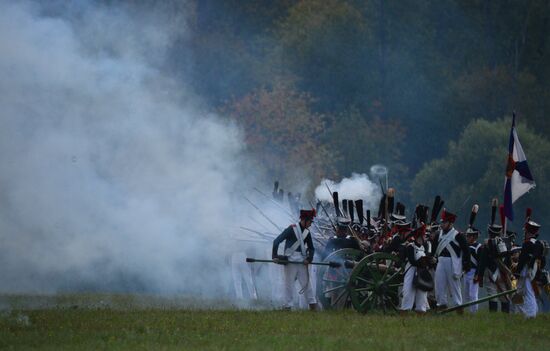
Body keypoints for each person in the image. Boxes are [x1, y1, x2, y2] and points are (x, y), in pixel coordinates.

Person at [272, 209, 317, 311]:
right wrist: (274, 256)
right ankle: (287, 306)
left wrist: (309, 259)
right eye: (310, 221)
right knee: (288, 285)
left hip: (302, 262)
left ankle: (312, 306)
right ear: (305, 220)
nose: (310, 224)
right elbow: (276, 241)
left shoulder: (307, 232)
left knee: (306, 284)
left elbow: (311, 248)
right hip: (290, 262)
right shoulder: (291, 229)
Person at [433, 210, 470, 312]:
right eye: (442, 222)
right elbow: (434, 250)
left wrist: (466, 264)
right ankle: (441, 305)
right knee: (439, 284)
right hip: (440, 261)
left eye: (444, 222)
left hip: (453, 262)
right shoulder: (438, 234)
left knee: (454, 285)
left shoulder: (458, 235)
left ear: (450, 223)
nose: (442, 224)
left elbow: (466, 251)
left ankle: (458, 306)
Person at [477, 223, 513, 313]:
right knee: (504, 295)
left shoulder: (487, 245)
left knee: (492, 294)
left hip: (491, 273)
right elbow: (508, 260)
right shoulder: (507, 243)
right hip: (503, 273)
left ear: (490, 232)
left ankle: (493, 315)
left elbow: (483, 262)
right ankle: (505, 314)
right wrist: (508, 272)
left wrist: (480, 276)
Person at [516, 220, 545, 318]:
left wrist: (517, 272)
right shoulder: (539, 244)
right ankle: (525, 312)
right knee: (522, 292)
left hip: (526, 270)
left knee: (528, 292)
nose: (525, 233)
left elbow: (522, 260)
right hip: (534, 270)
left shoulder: (527, 244)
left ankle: (531, 314)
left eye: (526, 232)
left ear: (528, 232)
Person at [400, 226, 433, 314]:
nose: (425, 237)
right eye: (424, 235)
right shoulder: (410, 247)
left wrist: (430, 261)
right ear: (419, 236)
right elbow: (412, 261)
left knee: (422, 294)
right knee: (408, 293)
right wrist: (423, 261)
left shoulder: (424, 247)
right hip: (411, 272)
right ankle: (405, 311)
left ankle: (421, 311)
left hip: (421, 273)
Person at [464, 227, 481, 312]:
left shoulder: (478, 247)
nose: (467, 237)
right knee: (467, 294)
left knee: (473, 294)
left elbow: (480, 263)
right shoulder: (466, 246)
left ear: (474, 237)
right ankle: (470, 311)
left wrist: (477, 274)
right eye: (467, 236)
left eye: (469, 236)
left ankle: (473, 312)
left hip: (474, 272)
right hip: (466, 272)